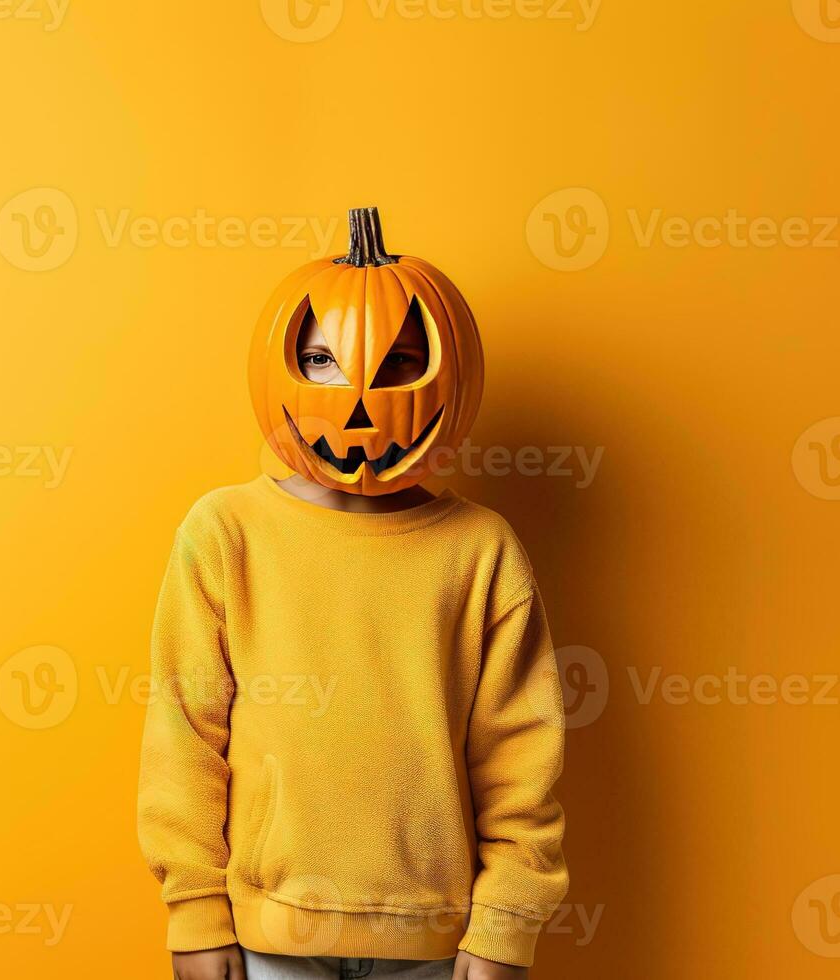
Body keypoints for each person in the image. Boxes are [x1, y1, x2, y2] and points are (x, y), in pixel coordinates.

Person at [137, 209, 568, 980]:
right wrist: (196, 912)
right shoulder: (224, 532)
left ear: (450, 375)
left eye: (401, 364)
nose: (362, 400)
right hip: (269, 938)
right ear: (282, 369)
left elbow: (520, 758)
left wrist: (504, 925)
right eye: (322, 362)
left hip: (435, 945)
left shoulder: (481, 550)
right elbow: (184, 732)